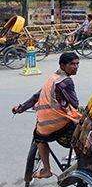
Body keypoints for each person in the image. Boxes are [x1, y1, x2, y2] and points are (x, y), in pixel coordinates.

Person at [11, 51, 81, 179]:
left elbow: (36, 96)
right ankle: (80, 160)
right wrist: (65, 100)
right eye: (72, 64)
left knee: (39, 137)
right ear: (63, 65)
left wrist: (21, 108)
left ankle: (47, 169)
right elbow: (75, 104)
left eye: (77, 64)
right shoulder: (66, 82)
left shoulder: (53, 78)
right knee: (78, 126)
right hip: (59, 124)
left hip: (45, 125)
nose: (76, 67)